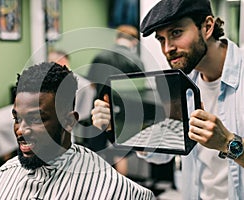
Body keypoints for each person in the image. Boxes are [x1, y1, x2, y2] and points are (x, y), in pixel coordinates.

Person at [91, 0, 244, 199]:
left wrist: (228, 144)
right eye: (161, 39)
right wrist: (122, 126)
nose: (167, 48)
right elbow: (163, 152)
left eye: (176, 33)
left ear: (207, 27)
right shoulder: (181, 84)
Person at [0, 62, 154, 199]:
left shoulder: (108, 186)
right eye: (17, 119)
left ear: (69, 121)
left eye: (35, 119)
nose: (20, 131)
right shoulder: (6, 173)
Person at [86, 24, 145, 175]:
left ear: (117, 38)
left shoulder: (100, 56)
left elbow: (92, 84)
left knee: (96, 152)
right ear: (134, 41)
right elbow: (140, 90)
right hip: (125, 111)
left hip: (99, 109)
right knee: (121, 153)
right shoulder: (136, 60)